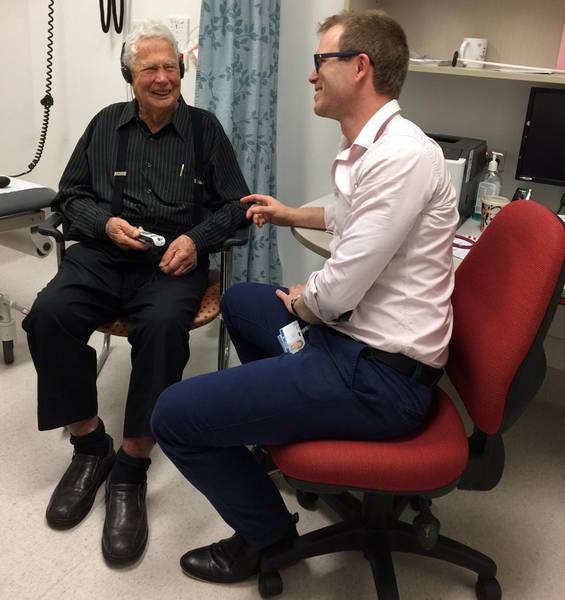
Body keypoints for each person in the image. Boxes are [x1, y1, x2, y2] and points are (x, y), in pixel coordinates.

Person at [151, 9, 458, 585]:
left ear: (360, 67)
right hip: (355, 348)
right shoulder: (381, 146)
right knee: (244, 300)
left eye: (322, 62)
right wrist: (288, 212)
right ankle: (290, 422)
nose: (312, 75)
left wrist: (303, 300)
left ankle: (267, 538)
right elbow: (345, 216)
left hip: (378, 379)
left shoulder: (401, 157)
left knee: (174, 416)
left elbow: (336, 293)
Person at [22, 21, 249, 566]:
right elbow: (70, 195)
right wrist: (103, 225)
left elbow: (236, 205)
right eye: (150, 67)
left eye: (171, 66)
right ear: (130, 75)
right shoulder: (105, 126)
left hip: (171, 262)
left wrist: (198, 239)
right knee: (48, 313)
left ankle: (130, 466)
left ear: (182, 71)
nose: (163, 77)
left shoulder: (204, 130)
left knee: (164, 327)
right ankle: (89, 442)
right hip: (104, 255)